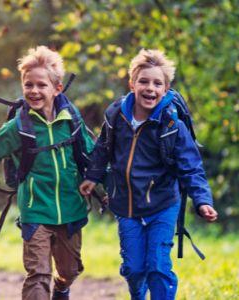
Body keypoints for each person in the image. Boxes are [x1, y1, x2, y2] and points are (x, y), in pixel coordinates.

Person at [78, 49, 218, 300]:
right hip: (127, 206)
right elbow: (102, 148)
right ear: (132, 84)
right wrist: (93, 176)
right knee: (133, 269)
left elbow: (191, 166)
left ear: (166, 89)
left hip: (163, 204)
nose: (150, 88)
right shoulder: (116, 115)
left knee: (158, 266)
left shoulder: (171, 124)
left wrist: (202, 200)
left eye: (157, 83)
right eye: (143, 81)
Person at [0, 46, 95, 300]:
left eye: (41, 85)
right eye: (28, 85)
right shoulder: (17, 128)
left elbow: (94, 158)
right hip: (35, 211)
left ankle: (62, 288)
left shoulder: (72, 121)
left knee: (69, 270)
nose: (34, 91)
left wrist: (103, 183)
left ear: (57, 88)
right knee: (38, 275)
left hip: (71, 209)